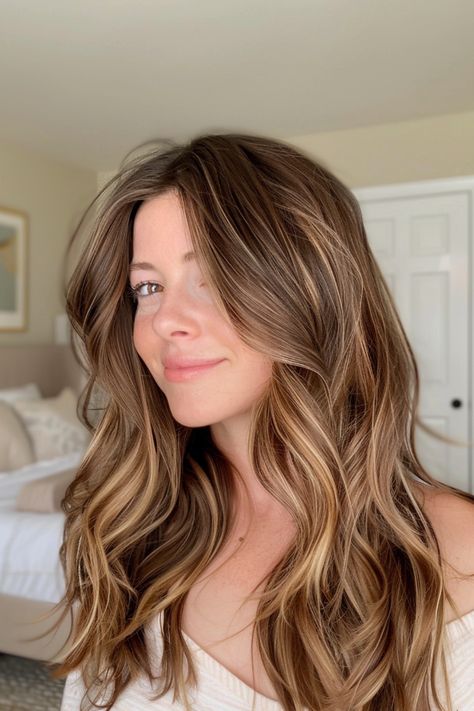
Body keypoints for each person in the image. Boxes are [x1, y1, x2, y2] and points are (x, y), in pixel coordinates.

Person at [52, 133, 474, 711]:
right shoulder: (126, 531)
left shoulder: (457, 553)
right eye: (147, 287)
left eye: (211, 277)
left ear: (311, 288)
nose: (165, 320)